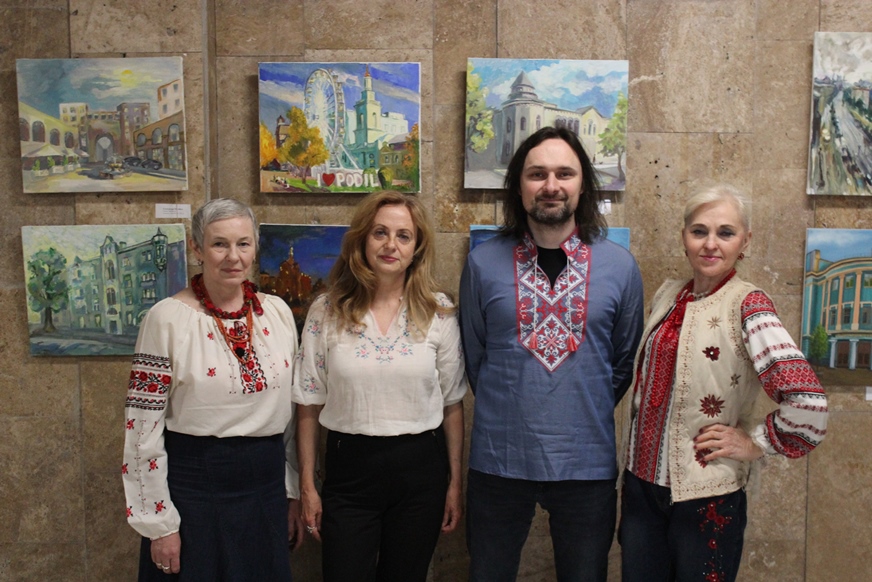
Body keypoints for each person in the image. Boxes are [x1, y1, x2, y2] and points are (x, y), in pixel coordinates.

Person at [459, 126, 645, 581]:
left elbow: (622, 363)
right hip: (500, 460)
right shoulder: (482, 263)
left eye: (565, 173)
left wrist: (579, 402)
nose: (551, 185)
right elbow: (475, 357)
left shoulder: (620, 267)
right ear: (518, 186)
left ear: (583, 185)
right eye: (537, 173)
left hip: (587, 463)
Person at [618, 184, 829, 582]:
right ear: (684, 237)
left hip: (706, 495)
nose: (710, 243)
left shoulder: (748, 304)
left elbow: (809, 401)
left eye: (725, 233)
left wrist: (755, 443)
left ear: (744, 241)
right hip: (641, 488)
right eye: (699, 231)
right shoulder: (668, 295)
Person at [122, 198, 304, 580]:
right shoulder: (166, 320)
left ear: (255, 247)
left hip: (266, 488)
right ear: (197, 249)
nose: (233, 256)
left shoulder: (277, 314)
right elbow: (142, 428)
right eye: (220, 244)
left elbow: (289, 417)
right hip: (195, 491)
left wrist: (292, 492)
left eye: (243, 243)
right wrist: (159, 523)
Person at [294, 190, 467, 582]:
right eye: (380, 233)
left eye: (403, 236)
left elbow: (453, 403)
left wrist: (455, 484)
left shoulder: (438, 311)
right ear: (362, 240)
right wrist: (307, 485)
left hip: (421, 472)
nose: (391, 244)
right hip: (349, 471)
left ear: (417, 247)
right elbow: (308, 402)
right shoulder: (327, 309)